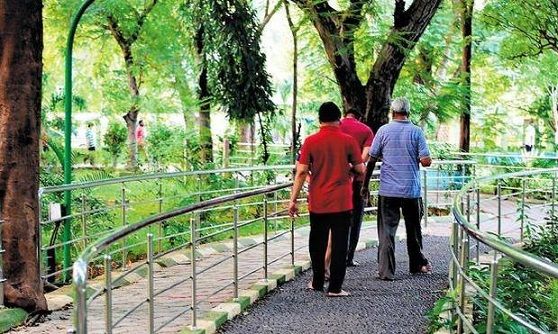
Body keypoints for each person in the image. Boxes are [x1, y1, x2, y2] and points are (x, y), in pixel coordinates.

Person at [288, 101, 365, 297]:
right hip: (342, 202)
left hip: (318, 202)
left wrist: (293, 200)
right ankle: (335, 288)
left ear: (319, 120)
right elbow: (361, 169)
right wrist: (349, 169)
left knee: (317, 242)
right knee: (340, 245)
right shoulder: (348, 141)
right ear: (339, 119)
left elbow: (301, 171)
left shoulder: (310, 141)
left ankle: (316, 282)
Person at [361, 97, 432, 281]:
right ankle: (417, 264)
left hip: (388, 190)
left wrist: (365, 185)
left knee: (387, 232)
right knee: (413, 229)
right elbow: (426, 161)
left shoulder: (383, 131)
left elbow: (372, 159)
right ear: (409, 112)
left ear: (392, 112)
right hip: (411, 190)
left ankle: (386, 272)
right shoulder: (417, 132)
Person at [339, 108, 374, 266]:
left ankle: (332, 256)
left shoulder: (335, 127)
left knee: (336, 218)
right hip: (358, 180)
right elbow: (365, 157)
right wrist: (354, 167)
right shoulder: (366, 130)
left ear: (345, 114)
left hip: (336, 180)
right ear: (360, 117)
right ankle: (349, 257)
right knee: (355, 219)